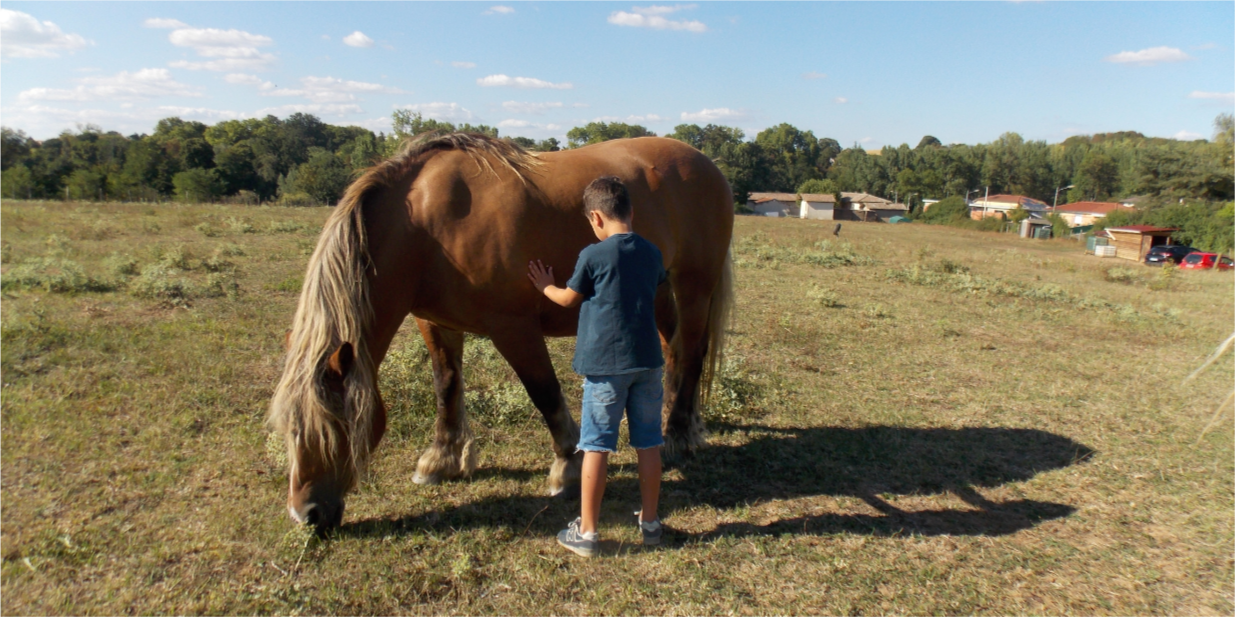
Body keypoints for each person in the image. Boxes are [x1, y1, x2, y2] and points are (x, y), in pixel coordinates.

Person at [527, 176, 667, 558]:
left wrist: (545, 286)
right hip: (649, 364)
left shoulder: (593, 254)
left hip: (607, 367)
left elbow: (570, 299)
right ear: (632, 213)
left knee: (596, 447)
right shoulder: (652, 252)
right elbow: (654, 283)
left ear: (596, 217)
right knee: (649, 442)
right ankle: (651, 523)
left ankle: (587, 532)